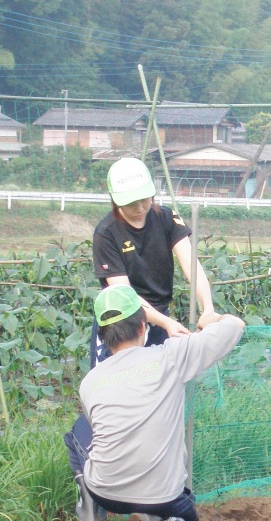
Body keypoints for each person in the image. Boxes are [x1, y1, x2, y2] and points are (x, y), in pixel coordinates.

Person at [65, 284, 245, 521]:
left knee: (78, 431)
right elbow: (235, 327)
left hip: (107, 493)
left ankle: (90, 511)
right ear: (142, 327)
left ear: (104, 336)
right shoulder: (171, 356)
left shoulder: (90, 382)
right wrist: (212, 318)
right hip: (164, 496)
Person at [90, 156, 218, 366]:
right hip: (122, 320)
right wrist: (167, 323)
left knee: (156, 384)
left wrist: (208, 308)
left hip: (159, 314)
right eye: (131, 203)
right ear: (116, 200)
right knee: (116, 384)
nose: (140, 208)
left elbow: (191, 267)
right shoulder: (106, 234)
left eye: (145, 199)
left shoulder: (166, 218)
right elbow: (126, 296)